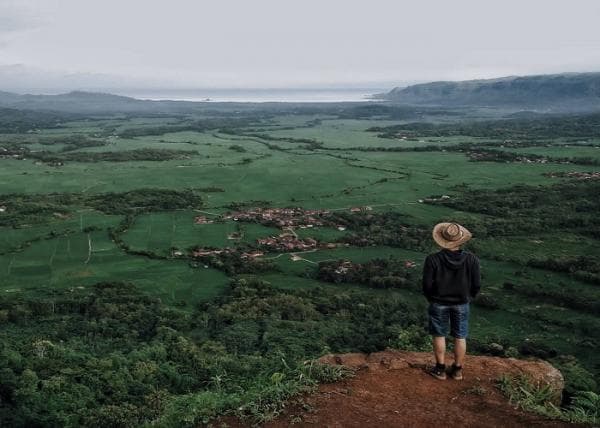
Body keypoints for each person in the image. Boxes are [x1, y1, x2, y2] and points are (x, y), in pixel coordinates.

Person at [422, 222, 481, 380]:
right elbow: (476, 285)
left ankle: (440, 369)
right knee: (460, 336)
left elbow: (427, 285)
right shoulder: (472, 260)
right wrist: (468, 298)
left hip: (438, 302)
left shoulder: (433, 260)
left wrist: (432, 298)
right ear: (460, 239)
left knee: (439, 334)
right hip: (462, 302)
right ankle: (457, 370)